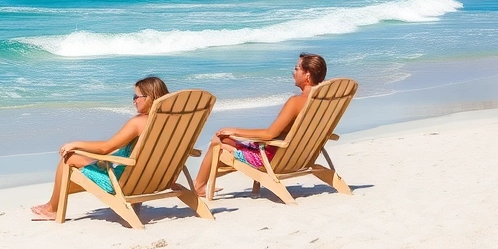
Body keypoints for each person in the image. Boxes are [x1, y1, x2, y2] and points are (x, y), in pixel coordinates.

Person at [31, 76, 169, 220]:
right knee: (88, 162)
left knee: (70, 157)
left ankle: (52, 208)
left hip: (123, 183)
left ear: (148, 97)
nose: (133, 100)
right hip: (153, 180)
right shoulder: (171, 124)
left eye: (136, 96)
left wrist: (76, 144)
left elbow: (106, 148)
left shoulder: (139, 122)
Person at [192, 53, 327, 197]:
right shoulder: (323, 102)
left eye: (296, 68)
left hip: (270, 159)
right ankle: (201, 183)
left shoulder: (296, 102)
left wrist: (235, 131)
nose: (293, 72)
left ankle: (198, 186)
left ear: (307, 74)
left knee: (217, 142)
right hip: (298, 156)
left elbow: (270, 134)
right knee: (226, 140)